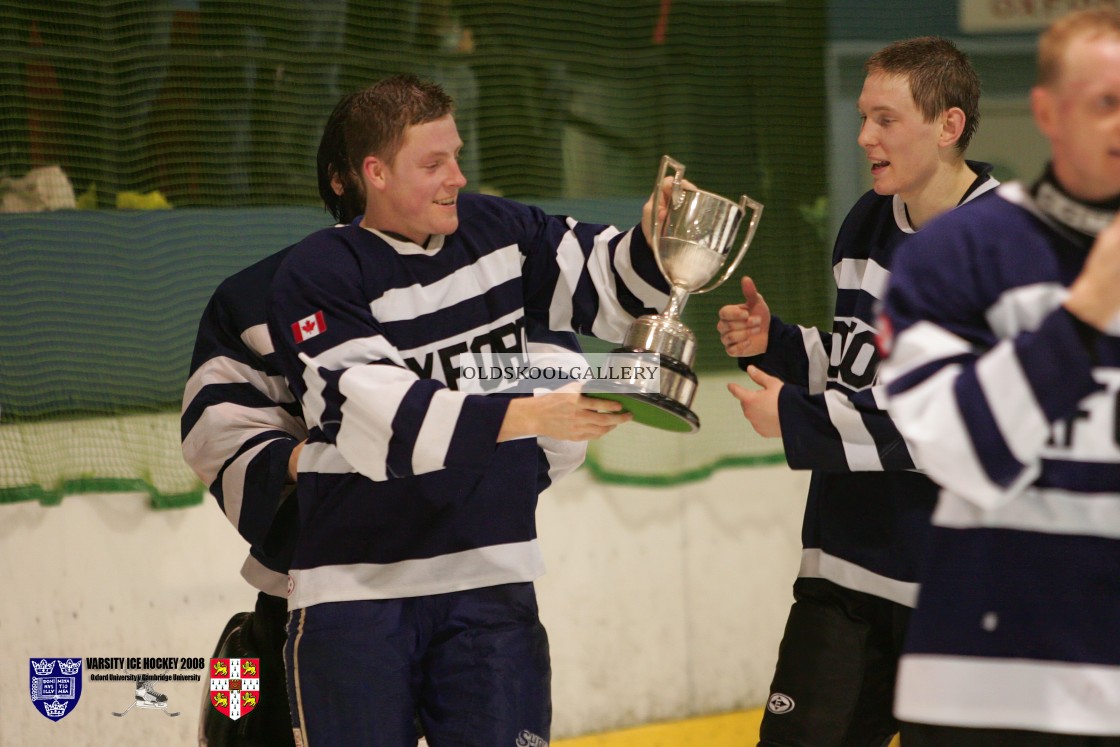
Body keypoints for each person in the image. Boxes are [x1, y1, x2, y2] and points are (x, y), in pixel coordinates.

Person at [265, 73, 673, 746]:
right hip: (354, 594)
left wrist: (655, 240)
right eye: (433, 163)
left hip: (492, 585)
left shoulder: (496, 228)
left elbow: (602, 277)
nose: (456, 176)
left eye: (456, 155)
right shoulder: (318, 272)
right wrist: (531, 416)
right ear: (376, 173)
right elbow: (385, 423)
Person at [184, 85, 594, 746]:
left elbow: (555, 400)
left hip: (477, 578)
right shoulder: (259, 295)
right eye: (425, 162)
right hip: (315, 594)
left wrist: (458, 456)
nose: (450, 179)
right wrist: (335, 457)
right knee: (245, 726)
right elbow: (219, 433)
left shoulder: (495, 266)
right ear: (354, 176)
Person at [715, 37, 999, 747]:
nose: (866, 135)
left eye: (885, 118)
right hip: (842, 574)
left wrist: (789, 416)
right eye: (863, 117)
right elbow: (857, 370)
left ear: (948, 125)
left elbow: (939, 424)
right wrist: (776, 343)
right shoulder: (866, 223)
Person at [878, 10, 1120, 745]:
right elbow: (960, 454)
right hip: (989, 687)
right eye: (1107, 101)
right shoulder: (958, 252)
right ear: (1048, 111)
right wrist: (1081, 318)